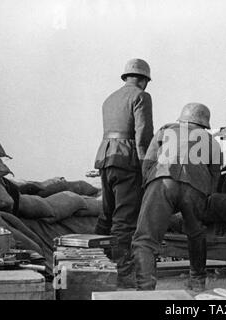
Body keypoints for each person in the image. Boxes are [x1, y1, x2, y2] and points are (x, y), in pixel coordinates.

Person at [132, 103, 221, 291]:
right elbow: (215, 177)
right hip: (196, 187)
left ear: (182, 118)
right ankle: (197, 282)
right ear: (204, 123)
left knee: (145, 239)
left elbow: (147, 163)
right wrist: (204, 198)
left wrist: (149, 188)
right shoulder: (211, 140)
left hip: (163, 179)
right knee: (196, 233)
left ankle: (146, 288)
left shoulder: (166, 130)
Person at [94, 58, 154, 287]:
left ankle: (96, 264)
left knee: (106, 215)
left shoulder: (109, 98)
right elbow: (143, 136)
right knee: (124, 220)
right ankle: (123, 275)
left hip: (106, 158)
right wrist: (145, 167)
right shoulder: (141, 96)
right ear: (143, 79)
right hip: (127, 161)